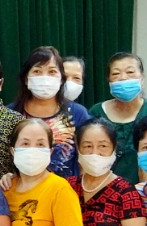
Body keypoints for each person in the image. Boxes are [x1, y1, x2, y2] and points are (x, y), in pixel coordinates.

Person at [8, 46, 90, 177]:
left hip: (67, 187)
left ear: (61, 78)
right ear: (26, 79)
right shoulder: (10, 113)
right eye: (37, 71)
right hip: (20, 187)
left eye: (52, 72)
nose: (45, 78)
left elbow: (87, 157)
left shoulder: (77, 113)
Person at [88, 52, 147, 181]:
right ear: (109, 80)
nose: (123, 78)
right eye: (116, 74)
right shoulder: (96, 112)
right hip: (104, 187)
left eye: (130, 72)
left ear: (142, 79)